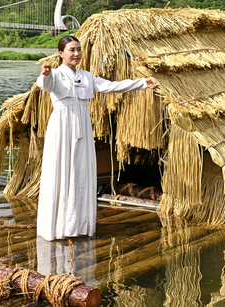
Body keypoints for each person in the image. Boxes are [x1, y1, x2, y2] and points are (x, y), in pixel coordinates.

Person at [36, 35, 160, 241]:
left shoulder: (86, 77)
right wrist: (46, 73)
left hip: (83, 127)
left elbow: (112, 86)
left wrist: (142, 83)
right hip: (62, 127)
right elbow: (45, 85)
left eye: (78, 49)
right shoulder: (55, 75)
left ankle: (78, 226)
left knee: (80, 173)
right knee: (61, 170)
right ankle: (57, 227)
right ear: (61, 54)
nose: (76, 54)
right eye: (71, 50)